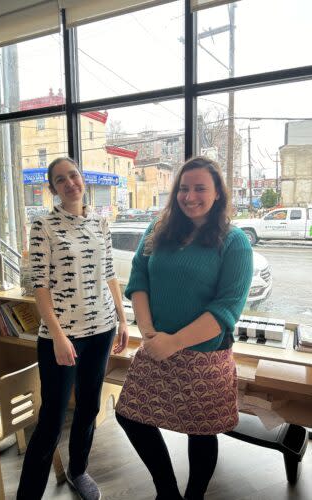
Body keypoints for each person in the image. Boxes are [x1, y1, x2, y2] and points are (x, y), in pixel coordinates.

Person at [115, 156, 253, 500]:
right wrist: (148, 333)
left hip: (204, 357)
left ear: (218, 193)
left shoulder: (234, 242)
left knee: (201, 433)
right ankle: (167, 493)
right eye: (183, 188)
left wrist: (174, 342)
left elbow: (225, 309)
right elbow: (139, 279)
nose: (190, 196)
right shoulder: (156, 231)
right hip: (156, 347)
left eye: (200, 188)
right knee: (130, 417)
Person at [17, 157, 129, 500]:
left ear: (82, 178)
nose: (70, 183)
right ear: (52, 188)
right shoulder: (44, 226)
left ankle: (78, 470)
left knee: (89, 406)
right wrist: (59, 336)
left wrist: (123, 319)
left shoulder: (100, 223)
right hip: (62, 337)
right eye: (60, 180)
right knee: (51, 418)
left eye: (74, 175)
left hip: (102, 328)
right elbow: (40, 288)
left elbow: (109, 273)